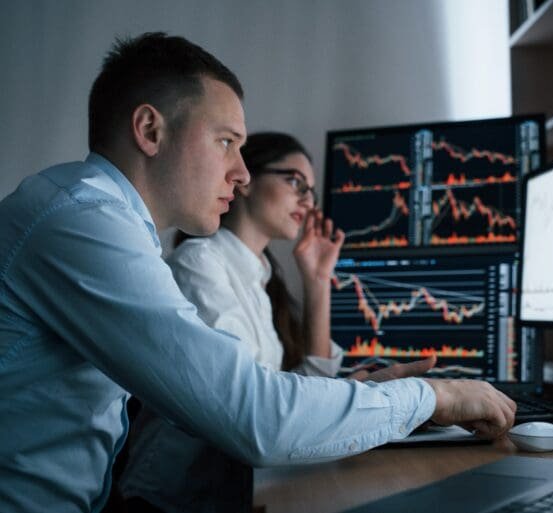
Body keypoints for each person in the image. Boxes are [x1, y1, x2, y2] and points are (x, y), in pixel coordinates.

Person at [0, 32, 516, 513]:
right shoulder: (82, 223)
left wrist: (365, 393)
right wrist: (433, 397)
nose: (241, 172)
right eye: (226, 142)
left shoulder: (96, 220)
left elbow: (257, 398)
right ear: (150, 130)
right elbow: (254, 415)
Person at [117, 132, 358, 511]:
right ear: (245, 180)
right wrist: (354, 397)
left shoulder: (258, 281)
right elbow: (254, 408)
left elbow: (288, 404)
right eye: (296, 182)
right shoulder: (200, 263)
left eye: (311, 191)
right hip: (167, 503)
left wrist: (317, 282)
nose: (308, 202)